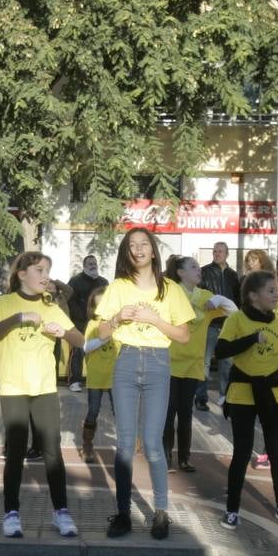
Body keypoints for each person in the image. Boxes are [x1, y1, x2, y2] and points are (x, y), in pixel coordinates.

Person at [96, 228, 195, 539]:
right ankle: (123, 514)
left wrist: (154, 320)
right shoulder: (118, 287)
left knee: (153, 444)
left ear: (153, 250)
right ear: (127, 253)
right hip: (125, 361)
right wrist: (116, 320)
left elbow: (184, 335)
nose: (138, 250)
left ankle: (161, 512)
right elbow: (100, 333)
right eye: (132, 246)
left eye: (143, 244)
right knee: (125, 444)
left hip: (157, 364)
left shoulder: (172, 290)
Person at [0, 252, 85, 538]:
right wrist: (18, 318)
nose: (45, 276)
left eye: (47, 270)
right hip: (14, 389)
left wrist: (63, 332)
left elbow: (81, 340)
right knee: (15, 452)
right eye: (39, 270)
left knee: (53, 452)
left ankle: (61, 512)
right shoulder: (4, 303)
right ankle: (11, 513)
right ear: (21, 274)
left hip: (44, 389)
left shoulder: (51, 305)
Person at [216, 270, 278, 529]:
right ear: (253, 296)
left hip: (272, 391)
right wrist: (252, 338)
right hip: (243, 391)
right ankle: (232, 510)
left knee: (277, 452)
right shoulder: (237, 319)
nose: (277, 295)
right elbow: (221, 351)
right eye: (270, 291)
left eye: (277, 291)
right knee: (241, 452)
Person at [163, 255, 234, 471]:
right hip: (170, 362)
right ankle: (165, 456)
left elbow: (234, 311)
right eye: (193, 266)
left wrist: (220, 300)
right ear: (180, 273)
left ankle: (184, 458)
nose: (199, 269)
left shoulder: (205, 296)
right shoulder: (170, 294)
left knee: (186, 413)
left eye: (198, 266)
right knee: (169, 412)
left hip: (193, 364)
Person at [196, 241, 239, 409]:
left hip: (229, 325)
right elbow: (198, 295)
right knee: (204, 362)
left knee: (227, 363)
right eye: (215, 251)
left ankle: (225, 397)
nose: (217, 253)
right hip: (210, 324)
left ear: (227, 254)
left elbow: (237, 299)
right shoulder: (204, 272)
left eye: (220, 251)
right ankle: (201, 398)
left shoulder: (233, 275)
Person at [79, 287, 117, 463]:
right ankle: (87, 445)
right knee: (93, 410)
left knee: (120, 411)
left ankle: (126, 444)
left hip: (116, 376)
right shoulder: (93, 325)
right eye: (98, 305)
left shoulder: (120, 323)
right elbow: (85, 347)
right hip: (96, 375)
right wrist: (104, 338)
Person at [66, 254, 109, 391]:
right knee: (78, 351)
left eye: (94, 263)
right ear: (84, 266)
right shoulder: (75, 281)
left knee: (100, 351)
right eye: (90, 263)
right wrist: (82, 317)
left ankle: (102, 380)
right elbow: (70, 302)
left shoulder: (104, 282)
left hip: (98, 323)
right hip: (79, 323)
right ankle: (75, 381)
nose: (93, 265)